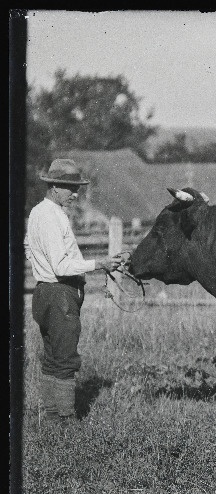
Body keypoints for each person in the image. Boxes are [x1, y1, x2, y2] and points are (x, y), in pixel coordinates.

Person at [24, 158, 124, 422]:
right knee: (65, 360)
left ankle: (51, 416)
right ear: (54, 186)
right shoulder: (50, 216)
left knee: (53, 358)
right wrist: (100, 263)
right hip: (59, 294)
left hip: (45, 292)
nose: (75, 194)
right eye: (70, 188)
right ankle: (66, 420)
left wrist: (40, 266)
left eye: (76, 187)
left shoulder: (39, 213)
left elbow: (28, 247)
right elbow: (60, 265)